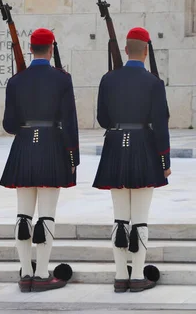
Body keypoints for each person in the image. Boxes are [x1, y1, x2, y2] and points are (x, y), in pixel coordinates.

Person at [0, 28, 79, 292]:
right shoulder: (62, 79)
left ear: (30, 48)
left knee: (23, 215)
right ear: (51, 48)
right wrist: (72, 157)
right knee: (46, 215)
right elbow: (69, 121)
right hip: (52, 145)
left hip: (23, 145)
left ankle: (25, 273)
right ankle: (42, 273)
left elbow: (9, 125)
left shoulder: (16, 81)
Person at [93, 27, 171, 293]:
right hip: (144, 147)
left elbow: (102, 119)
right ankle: (137, 276)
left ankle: (119, 275)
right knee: (140, 218)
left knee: (120, 218)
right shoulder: (154, 83)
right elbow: (161, 125)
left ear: (126, 50)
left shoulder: (108, 79)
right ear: (146, 51)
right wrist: (165, 161)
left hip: (115, 146)